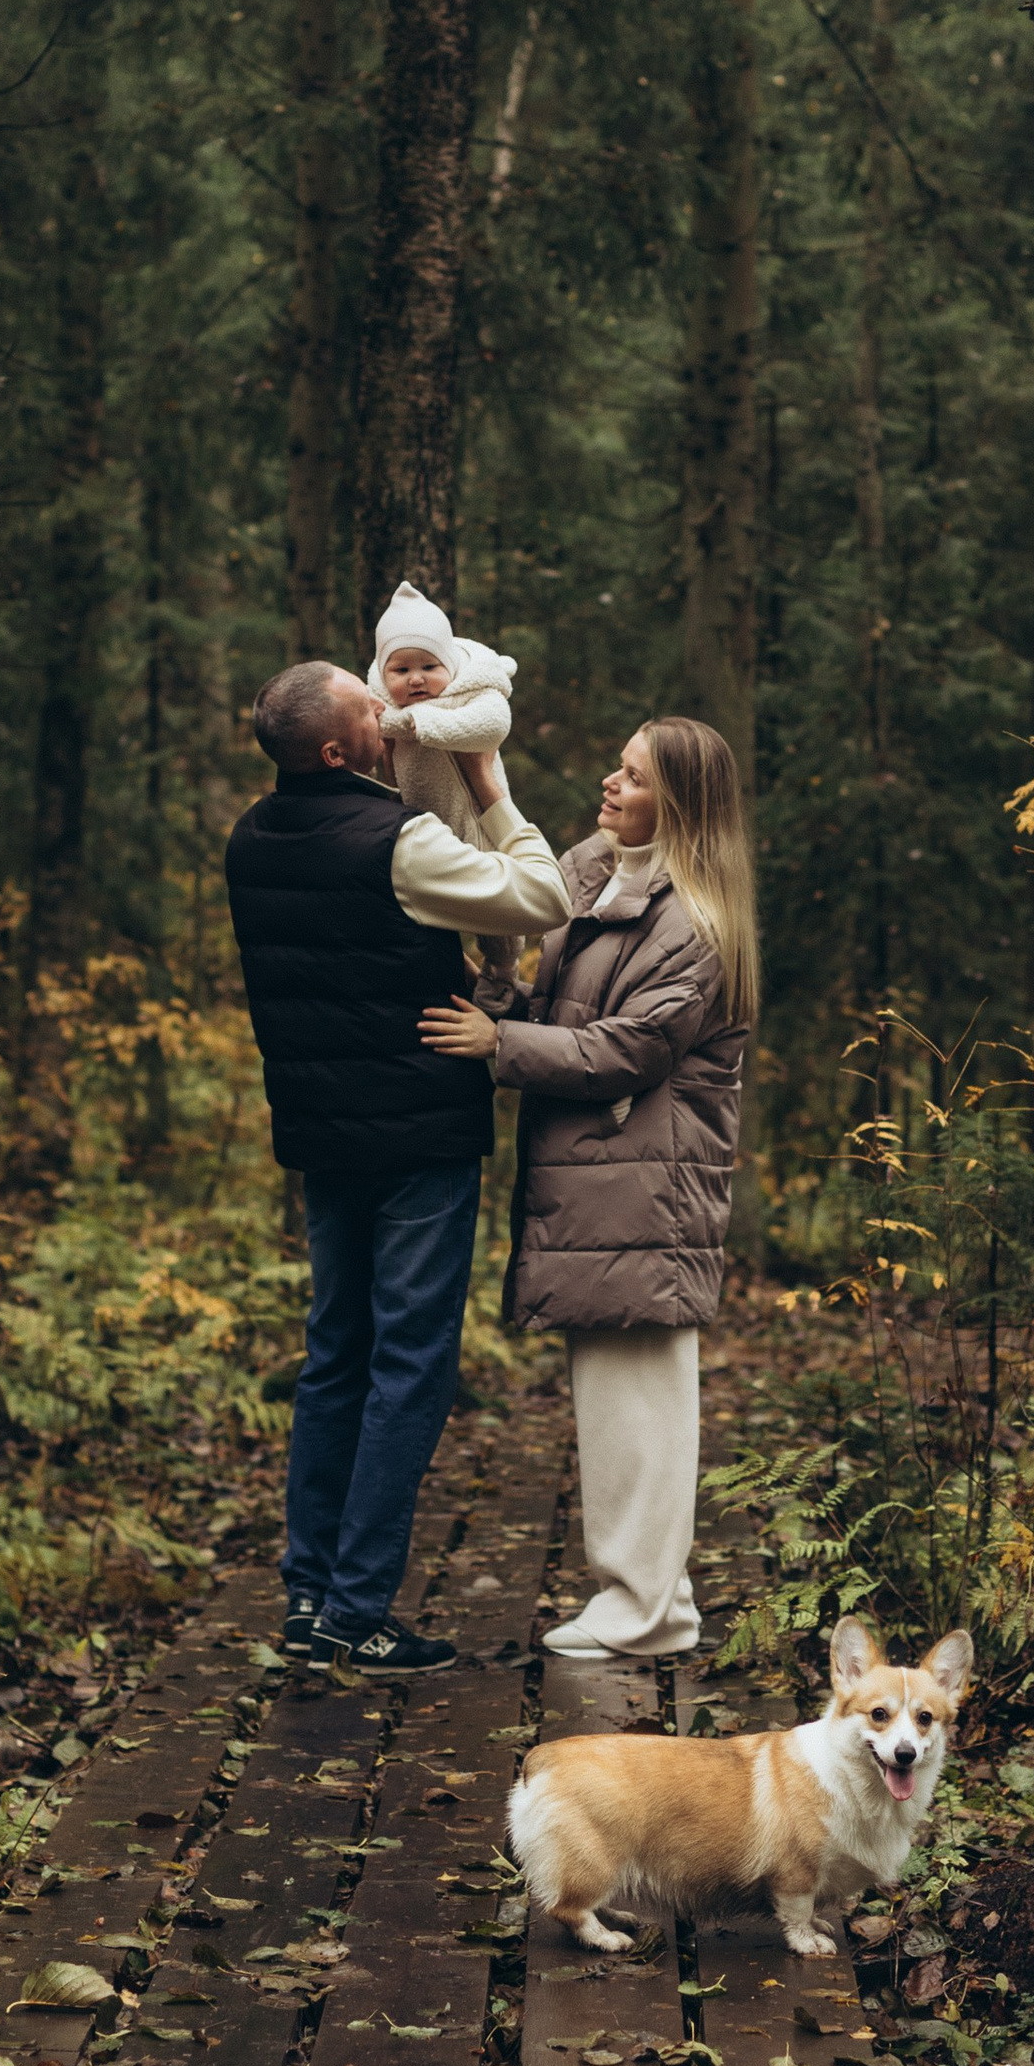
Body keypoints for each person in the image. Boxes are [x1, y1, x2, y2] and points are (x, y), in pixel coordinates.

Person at [227, 658, 571, 1671]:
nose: (388, 708)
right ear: (340, 749)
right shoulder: (400, 841)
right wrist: (491, 784)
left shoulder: (251, 836)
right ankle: (358, 1606)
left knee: (335, 1353)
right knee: (410, 1363)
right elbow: (542, 895)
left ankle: (308, 1595)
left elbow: (344, 958)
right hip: (418, 1132)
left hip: (322, 1136)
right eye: (367, 703)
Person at [421, 717, 755, 1660]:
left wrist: (500, 1044)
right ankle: (651, 1601)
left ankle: (643, 1611)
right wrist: (497, 996)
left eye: (635, 776)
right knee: (616, 1406)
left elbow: (628, 1048)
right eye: (618, 765)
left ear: (677, 805)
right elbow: (561, 1000)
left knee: (640, 1408)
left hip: (647, 1192)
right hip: (607, 1186)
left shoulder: (695, 923)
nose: (611, 782)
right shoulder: (596, 875)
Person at [368, 577, 519, 849]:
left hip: (485, 827)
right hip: (425, 834)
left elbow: (494, 724)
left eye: (429, 667)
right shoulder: (383, 710)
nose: (416, 679)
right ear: (383, 673)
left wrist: (428, 723)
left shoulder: (470, 689)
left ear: (449, 664)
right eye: (401, 670)